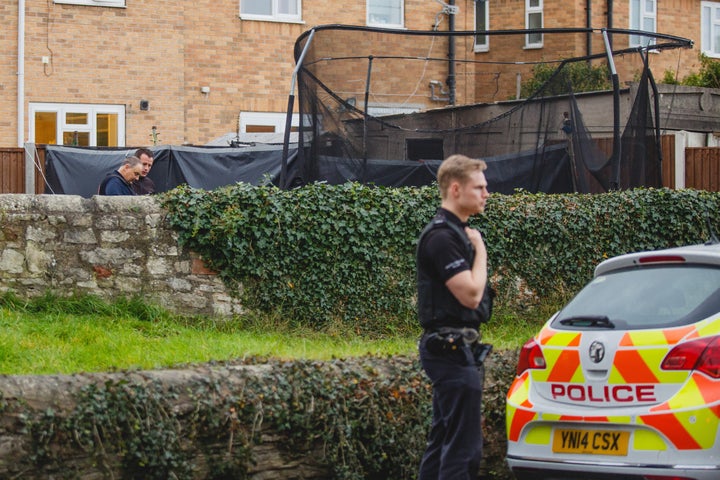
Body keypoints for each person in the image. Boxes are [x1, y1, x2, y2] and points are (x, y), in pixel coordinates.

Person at [416, 154, 492, 480]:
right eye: (480, 187)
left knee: (444, 437)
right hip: (449, 349)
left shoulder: (456, 234)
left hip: (456, 348)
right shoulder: (442, 237)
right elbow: (471, 294)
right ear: (456, 189)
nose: (487, 193)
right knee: (463, 449)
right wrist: (482, 250)